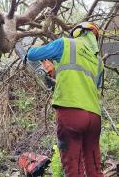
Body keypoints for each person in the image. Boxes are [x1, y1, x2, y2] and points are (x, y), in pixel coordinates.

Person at [25, 22, 104, 177]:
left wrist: (44, 56)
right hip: (94, 117)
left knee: (73, 169)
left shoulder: (65, 44)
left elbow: (32, 55)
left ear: (77, 33)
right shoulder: (99, 61)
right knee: (95, 169)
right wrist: (56, 73)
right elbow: (89, 83)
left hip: (71, 113)